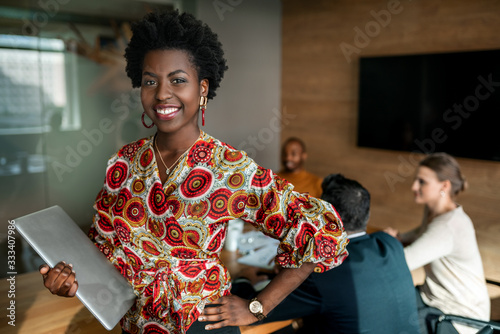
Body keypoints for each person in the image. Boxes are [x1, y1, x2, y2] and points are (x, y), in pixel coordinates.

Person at [38, 10, 349, 334]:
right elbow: (101, 252)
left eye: (177, 80)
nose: (161, 93)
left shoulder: (229, 167)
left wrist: (258, 306)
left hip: (202, 325)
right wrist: (72, 280)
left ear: (202, 89)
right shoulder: (124, 163)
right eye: (149, 81)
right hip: (137, 325)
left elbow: (322, 229)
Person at [232, 174, 420, 334]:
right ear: (367, 215)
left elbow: (260, 312)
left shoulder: (322, 268)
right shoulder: (388, 243)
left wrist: (244, 280)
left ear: (325, 215)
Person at [385, 152, 490, 334]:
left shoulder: (449, 225)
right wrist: (399, 237)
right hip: (434, 299)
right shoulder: (434, 212)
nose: (414, 187)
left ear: (444, 185)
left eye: (422, 182)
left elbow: (404, 263)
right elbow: (420, 234)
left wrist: (388, 242)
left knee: (390, 320)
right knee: (389, 301)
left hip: (460, 318)